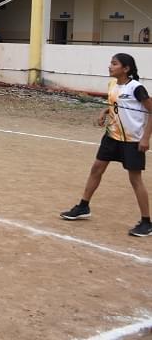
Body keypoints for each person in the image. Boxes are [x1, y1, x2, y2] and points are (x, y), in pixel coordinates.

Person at [60, 54, 152, 237]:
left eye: (114, 64)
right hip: (112, 136)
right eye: (111, 63)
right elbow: (115, 105)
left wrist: (146, 138)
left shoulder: (136, 88)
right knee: (96, 169)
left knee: (135, 179)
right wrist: (104, 112)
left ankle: (146, 222)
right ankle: (83, 207)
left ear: (126, 69)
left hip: (132, 140)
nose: (110, 66)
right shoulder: (112, 85)